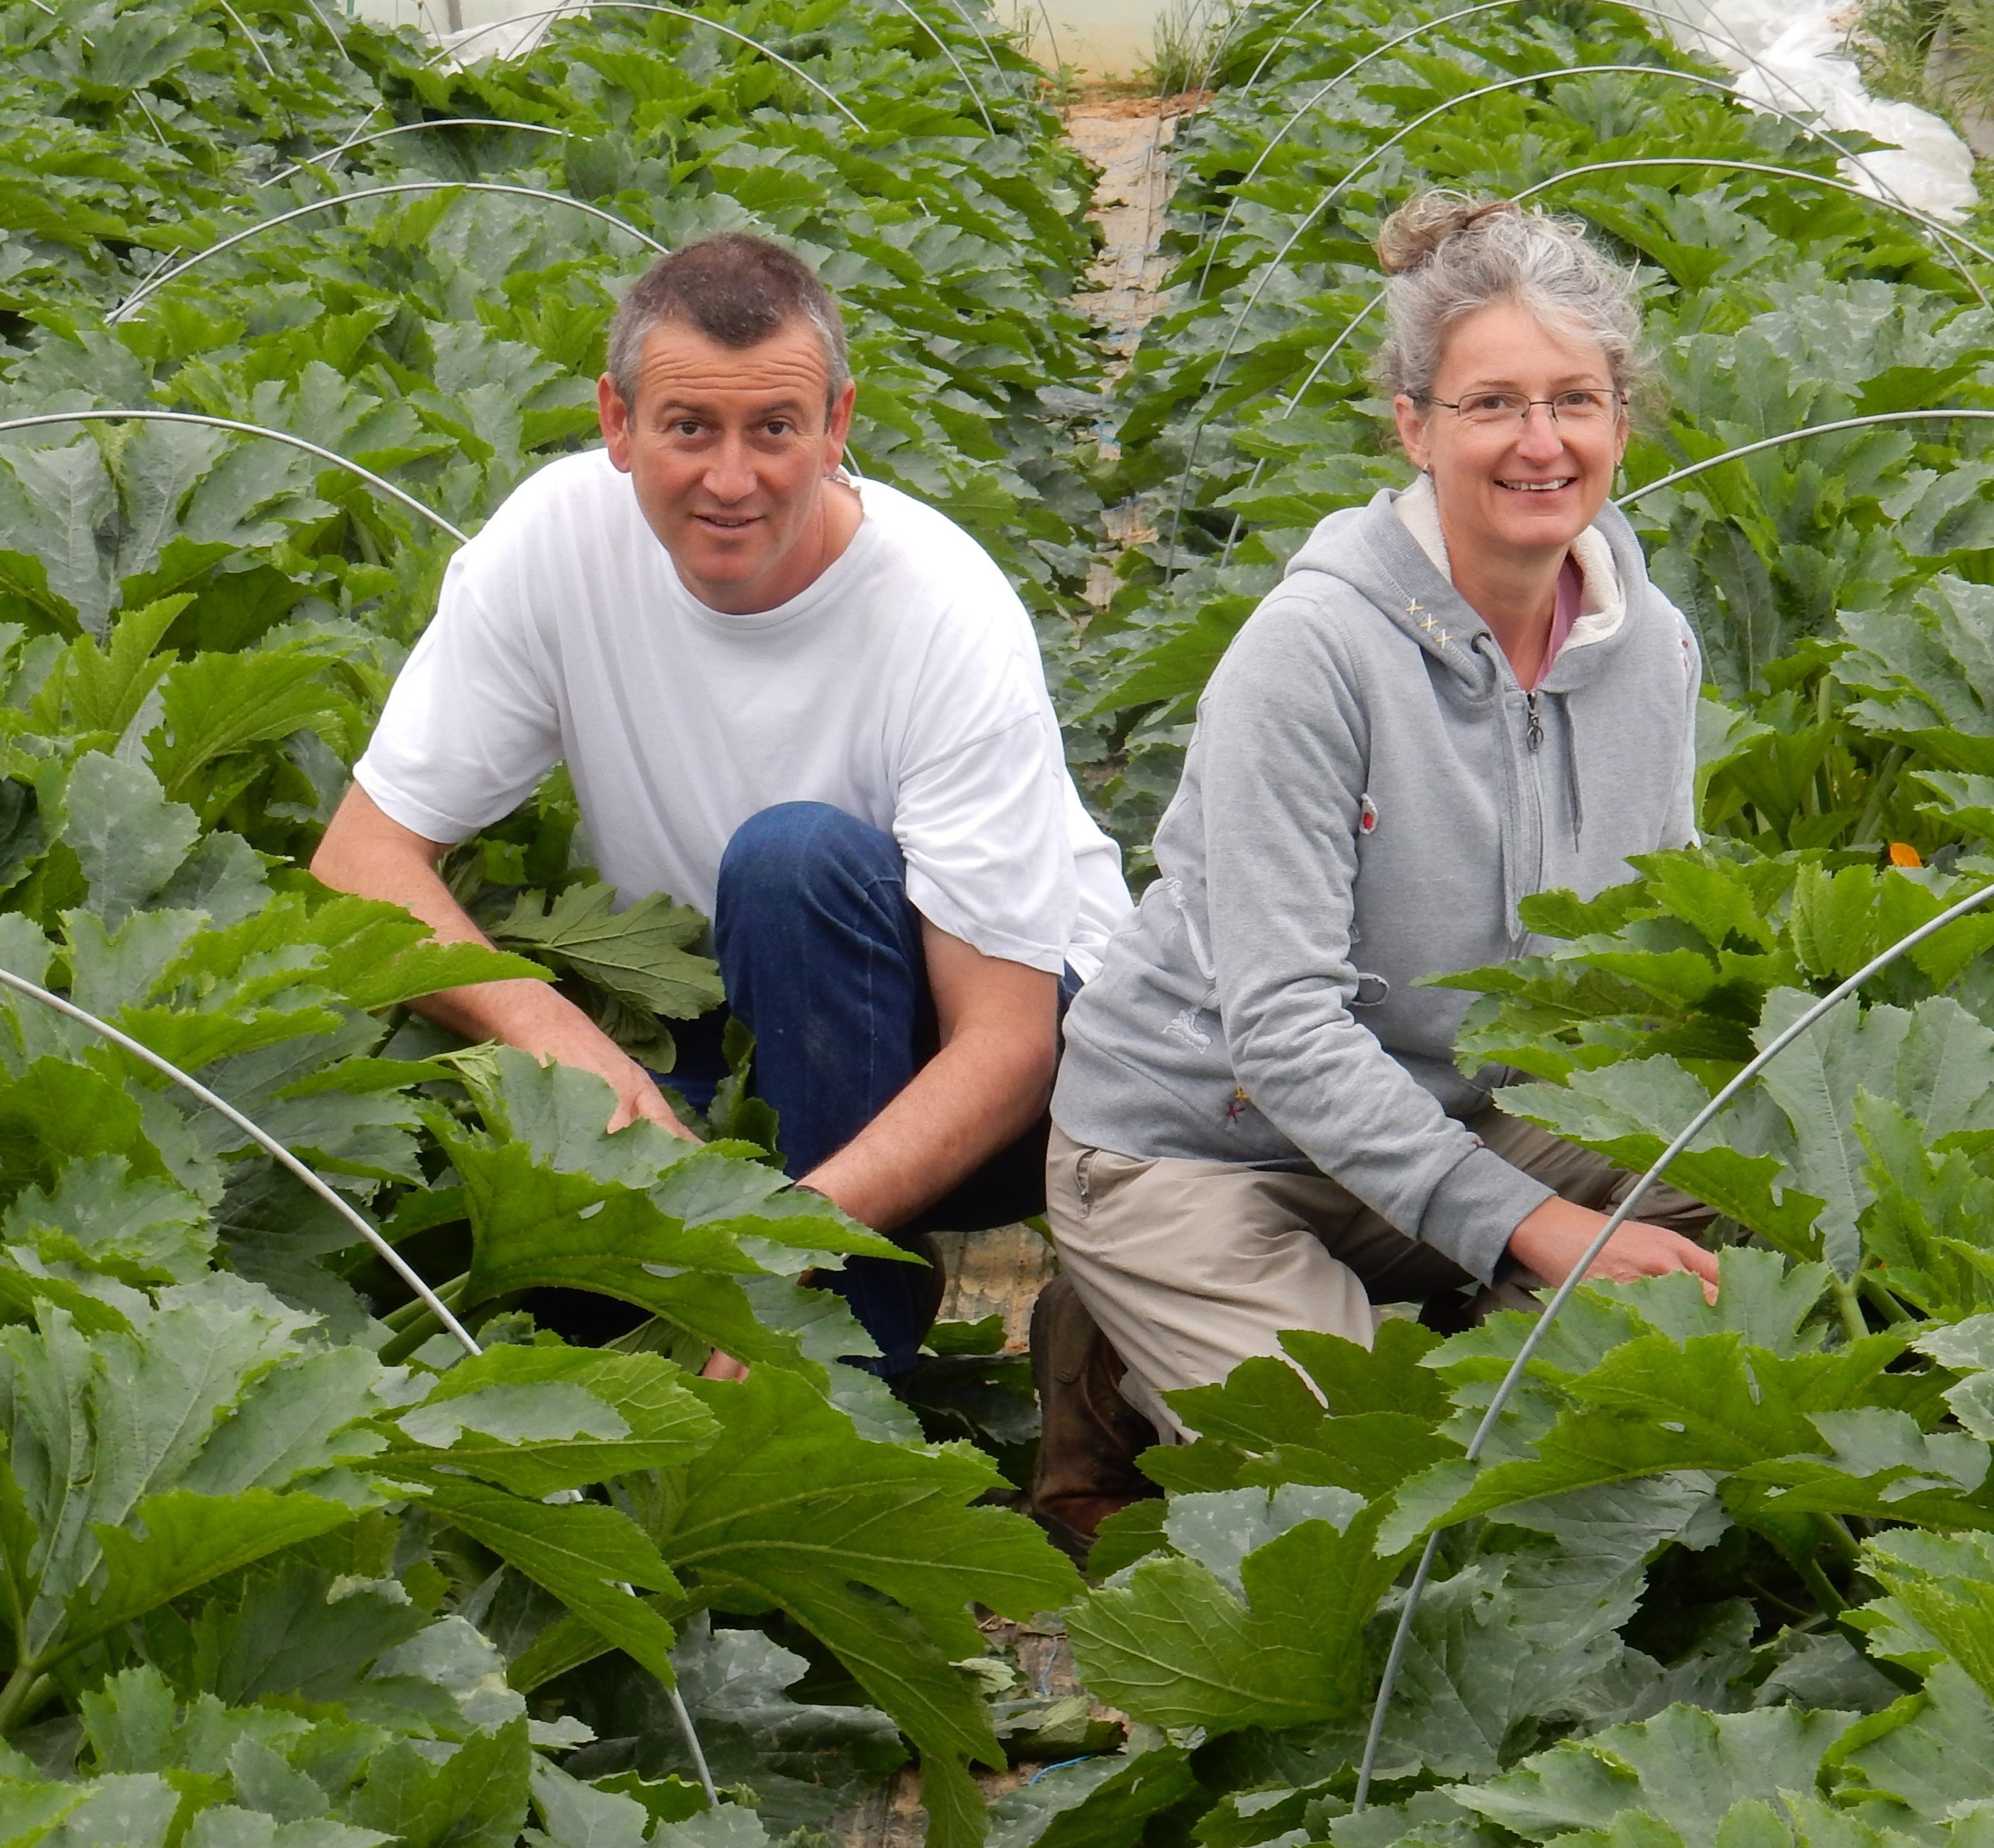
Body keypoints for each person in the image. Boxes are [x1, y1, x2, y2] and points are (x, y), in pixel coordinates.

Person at [312, 231, 1130, 1378]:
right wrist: (582, 1063)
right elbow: (361, 860)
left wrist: (774, 1250)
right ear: (616, 419)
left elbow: (1007, 1045)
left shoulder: (942, 611)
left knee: (792, 863)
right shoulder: (553, 544)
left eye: (775, 430)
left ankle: (838, 1403)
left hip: (1019, 1070)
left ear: (839, 425)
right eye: (689, 426)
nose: (730, 479)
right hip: (736, 1016)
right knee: (592, 1238)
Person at [1036, 193, 1717, 1538]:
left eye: (1575, 400)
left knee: (1747, 1209)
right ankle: (1112, 1345)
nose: (1541, 443)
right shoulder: (1315, 653)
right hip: (1204, 1141)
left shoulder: (1652, 650)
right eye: (1491, 405)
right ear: (1412, 425)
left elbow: (1658, 933)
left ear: (1621, 422)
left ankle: (1457, 1351)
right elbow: (1283, 1032)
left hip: (1457, 1118)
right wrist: (1539, 1228)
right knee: (1364, 1494)